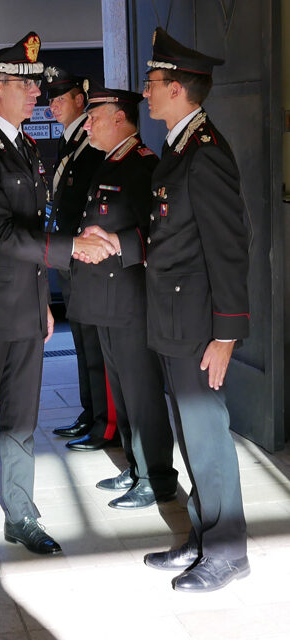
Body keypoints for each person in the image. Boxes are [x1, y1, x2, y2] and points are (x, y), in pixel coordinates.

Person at [0, 32, 117, 574]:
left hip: (25, 308)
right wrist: (72, 249)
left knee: (22, 421)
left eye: (37, 85)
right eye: (25, 84)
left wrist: (43, 301)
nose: (36, 93)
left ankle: (20, 515)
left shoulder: (29, 147)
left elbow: (32, 232)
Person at [140, 27, 250, 591]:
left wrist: (226, 335)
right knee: (190, 434)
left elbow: (229, 246)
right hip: (173, 320)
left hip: (198, 325)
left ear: (179, 89)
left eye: (153, 83)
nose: (146, 92)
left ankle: (228, 550)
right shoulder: (180, 145)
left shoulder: (204, 153)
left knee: (207, 434)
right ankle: (206, 536)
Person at [70, 82, 177, 509]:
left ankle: (159, 478)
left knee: (142, 391)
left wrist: (117, 241)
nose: (88, 123)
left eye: (95, 116)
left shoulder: (141, 164)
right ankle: (135, 467)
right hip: (108, 300)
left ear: (120, 118)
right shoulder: (109, 161)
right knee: (122, 388)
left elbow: (158, 231)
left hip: (132, 298)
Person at [43, 66, 116, 452]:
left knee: (95, 344)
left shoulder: (90, 145)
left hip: (87, 258)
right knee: (82, 343)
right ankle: (91, 413)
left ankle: (105, 422)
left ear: (79, 100)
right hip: (70, 256)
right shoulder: (69, 143)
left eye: (60, 98)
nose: (52, 106)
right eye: (50, 99)